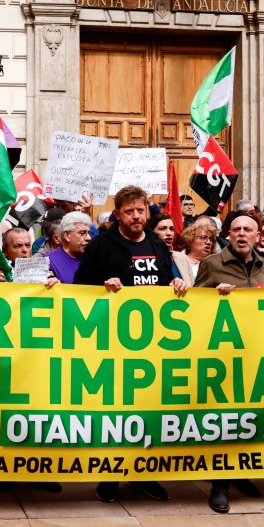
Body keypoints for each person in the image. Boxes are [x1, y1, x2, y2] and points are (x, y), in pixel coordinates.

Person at [74, 186, 186, 505]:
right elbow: (79, 290)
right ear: (118, 214)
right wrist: (102, 287)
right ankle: (110, 476)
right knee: (117, 414)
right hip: (114, 345)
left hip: (154, 346)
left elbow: (168, 282)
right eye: (129, 211)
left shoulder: (157, 244)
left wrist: (177, 284)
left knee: (150, 411)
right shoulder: (101, 246)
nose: (136, 216)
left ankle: (143, 474)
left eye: (141, 210)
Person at [194, 211, 264, 513]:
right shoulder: (211, 264)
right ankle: (219, 484)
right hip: (222, 355)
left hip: (257, 353)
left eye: (247, 229)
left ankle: (239, 474)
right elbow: (194, 308)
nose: (241, 234)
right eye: (236, 229)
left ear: (257, 236)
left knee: (248, 418)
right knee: (224, 421)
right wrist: (214, 296)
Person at [49, 211, 92, 283]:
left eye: (89, 233)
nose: (88, 238)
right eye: (82, 233)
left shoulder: (94, 258)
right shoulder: (49, 262)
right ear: (67, 236)